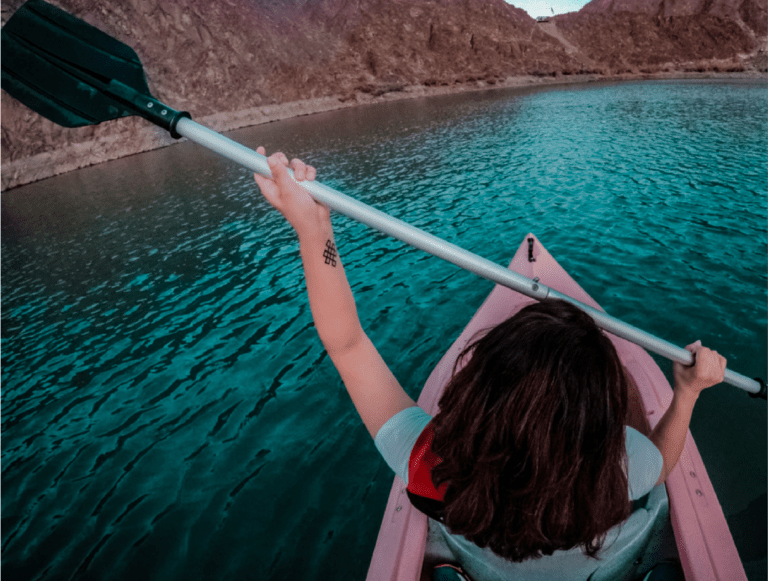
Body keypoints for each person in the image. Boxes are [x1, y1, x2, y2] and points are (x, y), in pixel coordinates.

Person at [253, 149, 727, 580]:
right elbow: (664, 463)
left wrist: (314, 232)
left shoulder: (427, 461)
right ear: (595, 422)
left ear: (478, 390)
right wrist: (687, 392)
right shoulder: (622, 466)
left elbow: (347, 344)